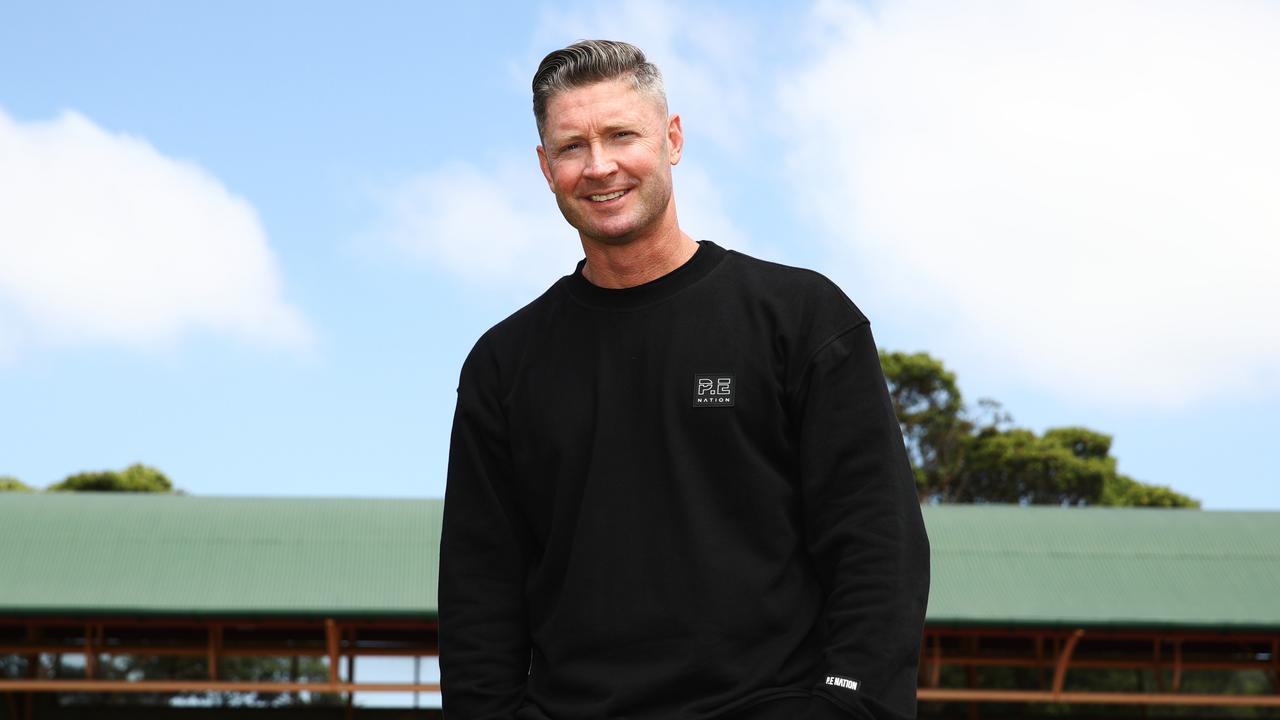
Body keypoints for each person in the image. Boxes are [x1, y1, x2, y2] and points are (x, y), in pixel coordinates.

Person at [439, 39, 930, 720]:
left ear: (672, 139)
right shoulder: (504, 364)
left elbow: (878, 543)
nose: (599, 166)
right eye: (572, 146)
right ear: (545, 167)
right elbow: (478, 590)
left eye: (621, 135)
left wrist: (849, 706)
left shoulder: (801, 319)